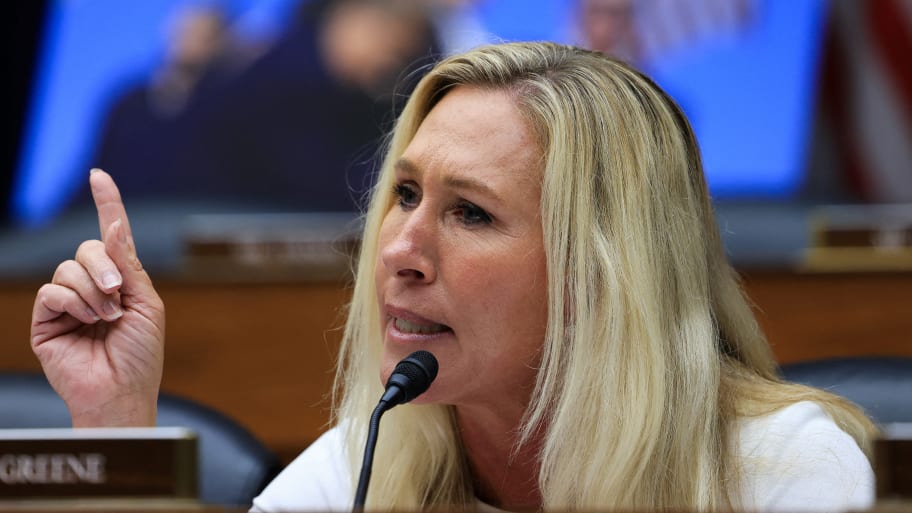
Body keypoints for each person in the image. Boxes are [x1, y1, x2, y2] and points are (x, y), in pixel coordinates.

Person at [30, 42, 876, 512]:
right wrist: (115, 423)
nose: (401, 246)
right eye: (403, 194)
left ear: (607, 272)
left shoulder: (782, 472)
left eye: (470, 212)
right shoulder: (371, 463)